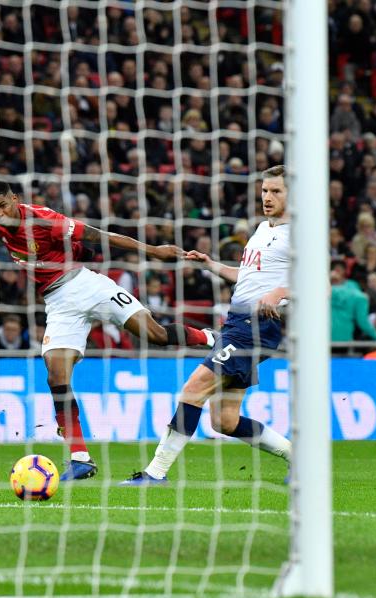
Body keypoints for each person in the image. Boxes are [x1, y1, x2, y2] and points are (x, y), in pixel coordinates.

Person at [0, 162, 216, 480]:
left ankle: (211, 339)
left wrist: (153, 250)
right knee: (56, 375)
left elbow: (99, 236)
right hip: (58, 303)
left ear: (14, 198)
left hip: (85, 285)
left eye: (2, 206)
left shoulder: (43, 218)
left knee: (157, 334)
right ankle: (80, 458)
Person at [122, 166, 293, 485]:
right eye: (265, 190)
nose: (267, 197)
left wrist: (279, 293)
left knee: (193, 388)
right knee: (224, 421)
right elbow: (248, 278)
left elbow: (320, 286)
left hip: (257, 327)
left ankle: (155, 472)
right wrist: (211, 265)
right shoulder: (261, 229)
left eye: (276, 192)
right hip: (236, 324)